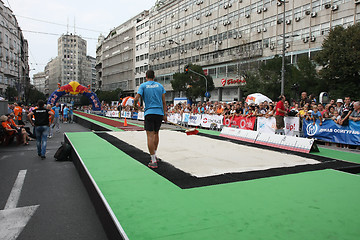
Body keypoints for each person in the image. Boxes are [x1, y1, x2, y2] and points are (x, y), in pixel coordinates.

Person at [133, 69, 166, 169]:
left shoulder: (143, 86)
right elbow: (164, 102)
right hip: (159, 113)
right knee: (156, 133)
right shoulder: (160, 86)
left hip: (149, 113)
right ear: (154, 76)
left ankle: (153, 160)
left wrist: (136, 107)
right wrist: (165, 114)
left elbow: (135, 99)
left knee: (150, 136)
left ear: (146, 76)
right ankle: (155, 155)